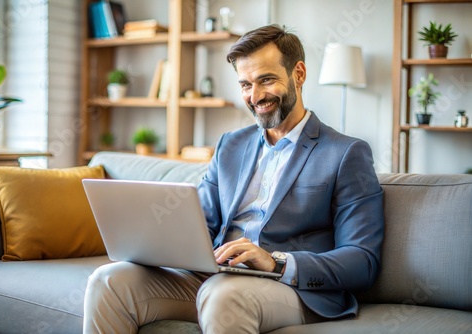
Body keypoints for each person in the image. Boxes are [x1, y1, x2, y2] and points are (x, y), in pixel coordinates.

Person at [83, 24, 384, 333]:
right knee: (109, 281)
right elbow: (200, 222)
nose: (255, 96)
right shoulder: (231, 145)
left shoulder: (346, 153)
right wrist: (156, 240)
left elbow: (362, 261)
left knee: (223, 295)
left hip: (292, 288)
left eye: (266, 80)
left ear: (299, 73)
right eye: (245, 84)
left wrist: (275, 261)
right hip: (215, 276)